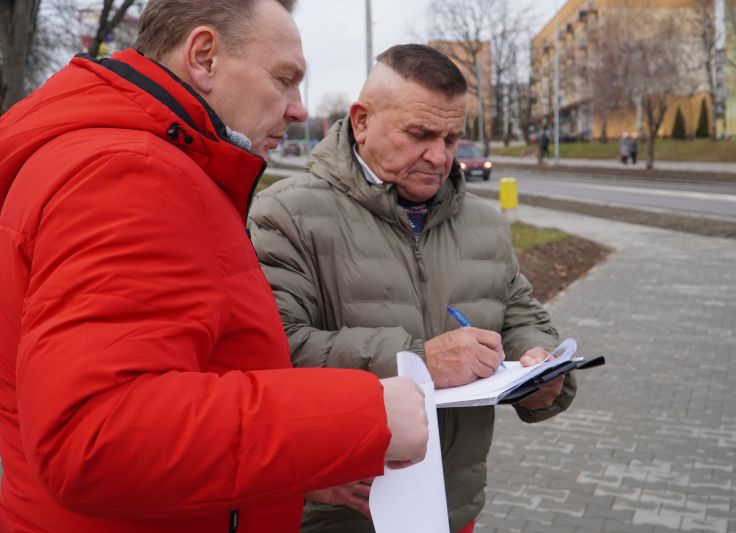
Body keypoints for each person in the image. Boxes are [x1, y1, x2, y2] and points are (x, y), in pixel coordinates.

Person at [0, 1, 430, 532]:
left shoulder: (130, 158)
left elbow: (181, 384)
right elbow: (96, 434)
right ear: (204, 57)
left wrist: (290, 470)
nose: (298, 109)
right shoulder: (131, 174)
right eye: (284, 79)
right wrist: (368, 416)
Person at [249, 44, 577, 533]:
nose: (439, 156)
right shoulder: (285, 214)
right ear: (360, 121)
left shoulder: (484, 223)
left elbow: (521, 314)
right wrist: (421, 360)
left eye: (451, 137)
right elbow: (277, 352)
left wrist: (542, 366)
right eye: (419, 134)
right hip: (342, 514)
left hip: (453, 508)